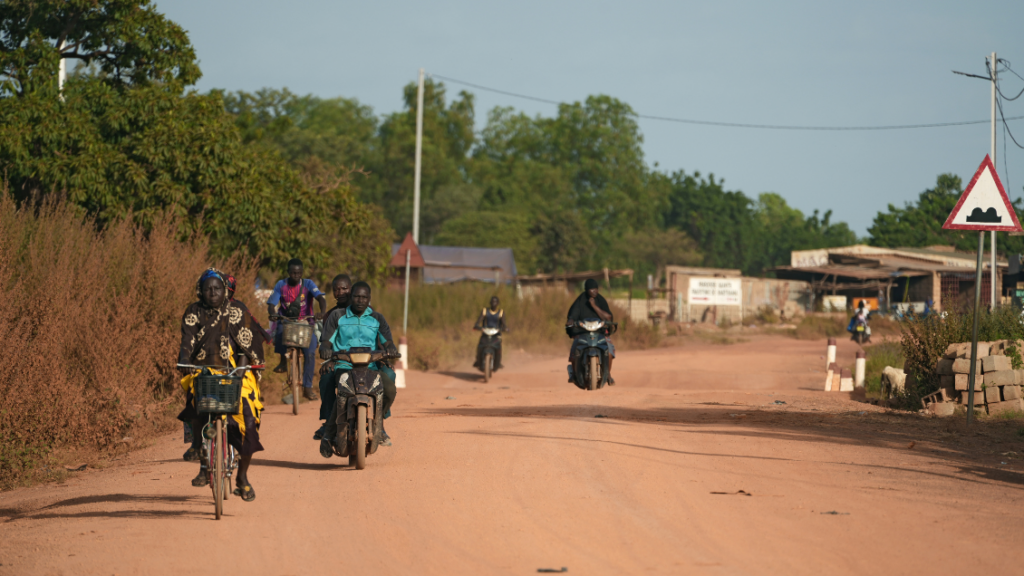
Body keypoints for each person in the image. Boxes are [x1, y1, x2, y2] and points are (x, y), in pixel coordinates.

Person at [178, 269, 265, 502]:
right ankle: (200, 451)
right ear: (201, 291)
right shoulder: (193, 312)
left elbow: (248, 344)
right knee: (195, 402)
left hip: (235, 370)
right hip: (204, 369)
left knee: (248, 421)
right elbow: (187, 341)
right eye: (208, 288)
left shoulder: (238, 311)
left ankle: (242, 478)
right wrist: (185, 362)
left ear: (225, 290)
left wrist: (244, 368)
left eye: (217, 288)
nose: (213, 292)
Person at [317, 282, 398, 457]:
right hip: (344, 366)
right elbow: (326, 341)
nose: (360, 300)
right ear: (351, 297)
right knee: (342, 395)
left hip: (371, 367)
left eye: (364, 297)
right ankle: (328, 434)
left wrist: (390, 348)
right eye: (356, 296)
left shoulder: (377, 318)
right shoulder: (337, 316)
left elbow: (387, 342)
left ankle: (379, 424)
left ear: (369, 299)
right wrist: (325, 349)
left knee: (389, 389)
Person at [265, 258, 327, 401]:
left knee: (310, 351)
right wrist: (273, 313)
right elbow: (271, 303)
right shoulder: (281, 285)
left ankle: (307, 386)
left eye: (299, 273)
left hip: (305, 320)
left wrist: (322, 312)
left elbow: (320, 299)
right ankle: (282, 361)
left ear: (302, 273)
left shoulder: (309, 284)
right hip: (286, 320)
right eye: (293, 273)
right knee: (280, 332)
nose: (296, 276)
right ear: (288, 272)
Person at [565, 279, 615, 385]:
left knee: (609, 351)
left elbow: (608, 317)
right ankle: (574, 373)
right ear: (587, 290)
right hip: (583, 331)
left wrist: (594, 306)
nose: (594, 291)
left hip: (600, 331)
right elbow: (573, 315)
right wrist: (570, 321)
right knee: (575, 348)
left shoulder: (600, 300)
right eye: (591, 289)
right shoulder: (580, 300)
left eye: (596, 289)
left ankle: (608, 374)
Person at [473, 296, 509, 370]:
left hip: (496, 334)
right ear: (490, 303)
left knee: (498, 346)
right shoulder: (485, 311)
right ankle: (478, 359)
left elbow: (504, 324)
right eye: (492, 302)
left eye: (495, 302)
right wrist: (477, 326)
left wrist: (505, 328)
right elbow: (479, 321)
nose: (493, 303)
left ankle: (498, 362)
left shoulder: (501, 312)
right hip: (486, 333)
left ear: (498, 303)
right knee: (480, 345)